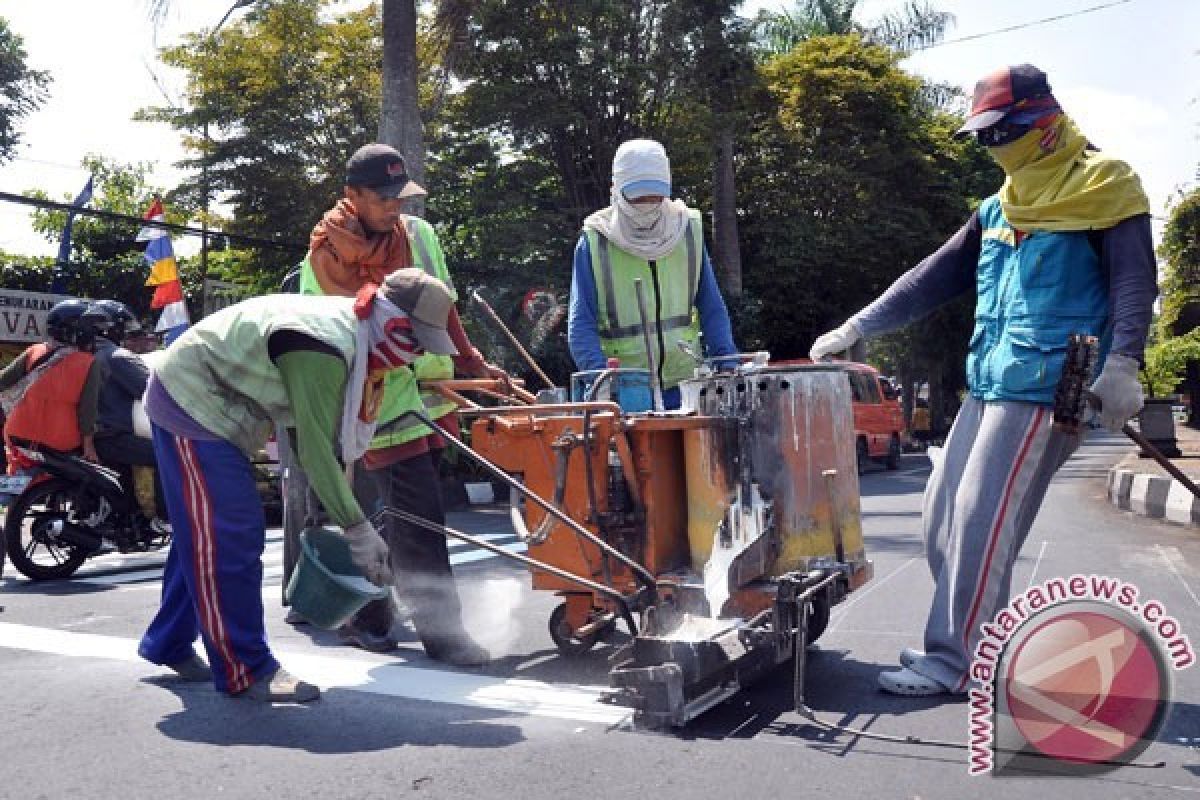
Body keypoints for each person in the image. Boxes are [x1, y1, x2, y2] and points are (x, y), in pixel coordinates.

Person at [809, 65, 1156, 696]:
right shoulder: (1000, 205)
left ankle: (959, 659)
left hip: (1053, 384)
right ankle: (969, 637)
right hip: (993, 380)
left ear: (1041, 124)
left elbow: (1134, 281)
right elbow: (931, 277)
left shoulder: (1106, 184)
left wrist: (1124, 362)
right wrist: (858, 324)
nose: (991, 146)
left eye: (1002, 133)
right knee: (941, 512)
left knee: (980, 520)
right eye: (983, 137)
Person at [137, 268, 457, 702]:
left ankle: (168, 641)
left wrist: (346, 516)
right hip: (193, 401)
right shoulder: (326, 346)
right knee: (230, 532)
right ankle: (246, 669)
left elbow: (312, 435)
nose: (414, 357)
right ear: (396, 324)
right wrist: (357, 530)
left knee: (205, 531)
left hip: (225, 406)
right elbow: (314, 452)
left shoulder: (360, 335)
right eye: (416, 342)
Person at [296, 142, 503, 665]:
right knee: (406, 522)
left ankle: (369, 618)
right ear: (352, 196)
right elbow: (319, 341)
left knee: (404, 517)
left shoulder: (419, 236)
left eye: (400, 196)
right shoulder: (321, 262)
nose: (396, 208)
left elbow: (442, 303)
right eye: (383, 198)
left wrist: (472, 361)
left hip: (428, 398)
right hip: (371, 407)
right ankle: (439, 634)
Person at [568, 138, 738, 409]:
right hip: (624, 392)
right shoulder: (595, 241)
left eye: (655, 197)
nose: (647, 205)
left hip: (685, 387)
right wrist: (600, 379)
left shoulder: (687, 230)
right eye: (639, 198)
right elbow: (580, 325)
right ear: (618, 190)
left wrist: (726, 364)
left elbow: (712, 306)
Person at [80, 300, 168, 531]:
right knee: (167, 455)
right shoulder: (117, 357)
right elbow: (151, 389)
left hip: (87, 437)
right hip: (111, 436)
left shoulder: (83, 355)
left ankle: (127, 519)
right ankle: (165, 518)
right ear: (112, 329)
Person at [1, 298, 102, 467]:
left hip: (17, 436)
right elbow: (87, 411)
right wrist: (89, 446)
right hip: (59, 443)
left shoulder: (34, 351)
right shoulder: (88, 363)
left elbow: (3, 381)